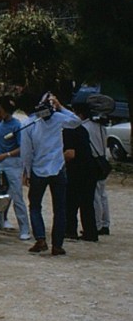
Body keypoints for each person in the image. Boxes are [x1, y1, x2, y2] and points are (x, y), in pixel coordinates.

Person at [20, 93, 82, 256]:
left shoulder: (28, 124)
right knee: (59, 208)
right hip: (57, 168)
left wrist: (26, 171)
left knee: (35, 206)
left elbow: (26, 152)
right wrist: (61, 107)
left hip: (39, 170)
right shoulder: (58, 119)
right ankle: (57, 245)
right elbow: (76, 121)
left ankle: (41, 239)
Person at [0, 96, 30, 239]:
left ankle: (24, 228)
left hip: (13, 163)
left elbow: (22, 148)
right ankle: (0, 222)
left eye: (0, 111)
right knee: (0, 194)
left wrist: (7, 155)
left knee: (17, 196)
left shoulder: (17, 125)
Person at [64, 103, 100, 242]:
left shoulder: (69, 131)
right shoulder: (82, 129)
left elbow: (70, 154)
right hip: (90, 169)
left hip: (76, 170)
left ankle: (70, 230)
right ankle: (90, 232)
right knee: (87, 203)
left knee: (71, 202)